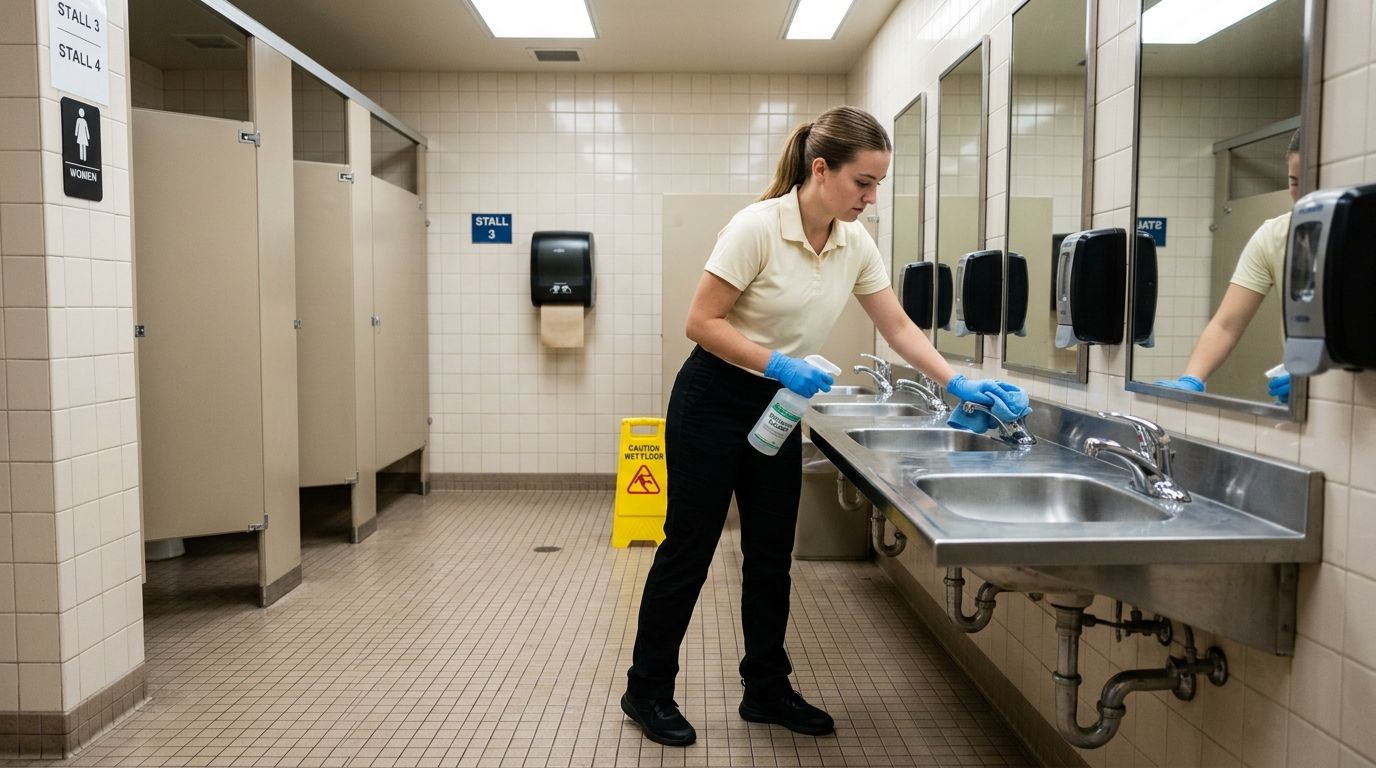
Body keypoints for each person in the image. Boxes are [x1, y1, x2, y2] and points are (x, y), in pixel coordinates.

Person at [620, 105, 1030, 747]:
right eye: (863, 182)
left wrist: (957, 381)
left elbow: (896, 327)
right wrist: (777, 361)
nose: (871, 197)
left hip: (779, 407)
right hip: (714, 397)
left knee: (771, 554)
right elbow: (701, 322)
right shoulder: (756, 227)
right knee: (689, 549)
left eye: (878, 185)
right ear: (821, 169)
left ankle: (766, 689)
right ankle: (647, 690)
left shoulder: (853, 241)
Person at [1156, 130, 1301, 403]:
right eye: (1295, 182)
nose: (1303, 195)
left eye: (1315, 182)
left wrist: (1324, 381)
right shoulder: (1274, 236)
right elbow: (1226, 324)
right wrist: (1192, 379)